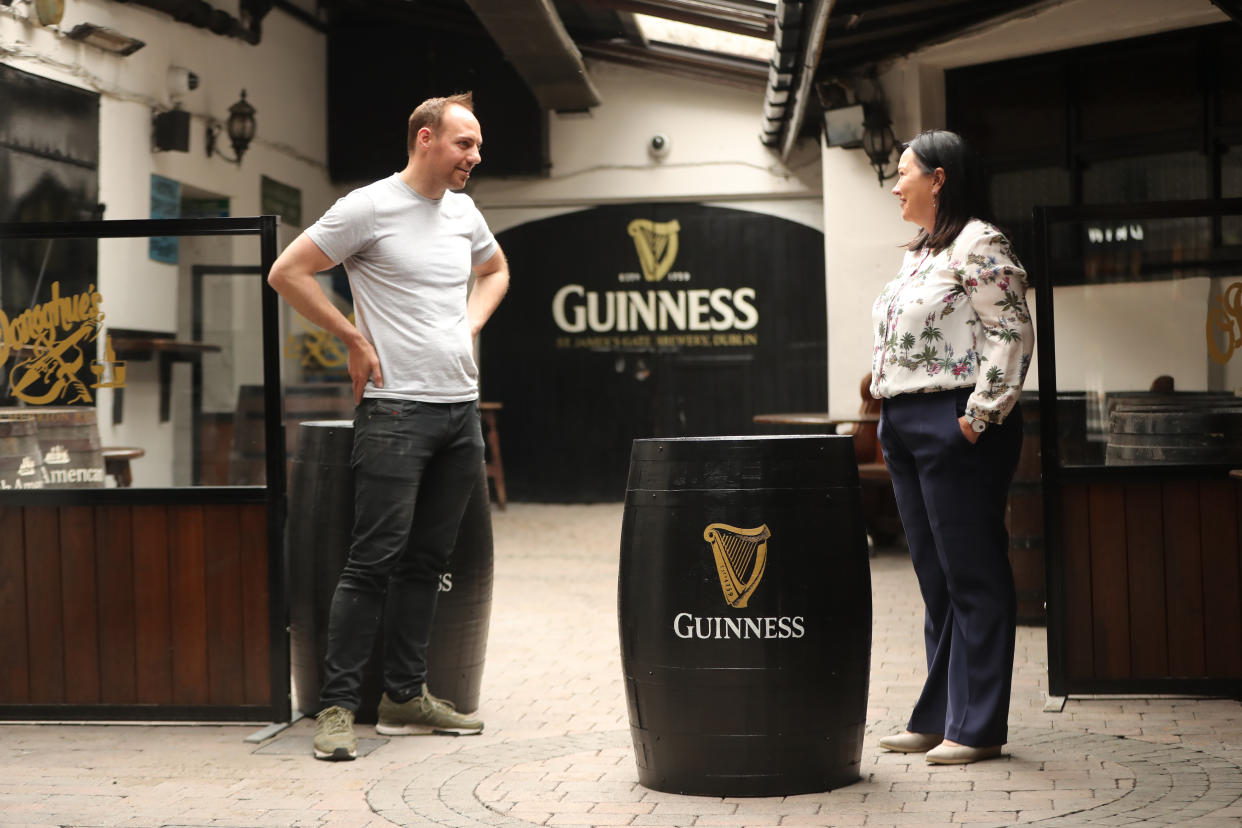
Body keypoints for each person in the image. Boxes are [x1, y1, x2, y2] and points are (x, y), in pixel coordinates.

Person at [267, 92, 509, 761]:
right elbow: (287, 271)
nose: (475, 157)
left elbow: (495, 269)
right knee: (371, 563)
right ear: (426, 139)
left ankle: (405, 695)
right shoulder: (368, 207)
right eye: (465, 144)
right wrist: (350, 335)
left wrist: (471, 320)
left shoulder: (462, 211)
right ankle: (338, 707)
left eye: (478, 144)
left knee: (427, 564)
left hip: (459, 410)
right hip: (396, 409)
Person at [870, 129, 1033, 765]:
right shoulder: (920, 253)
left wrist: (977, 417)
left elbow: (1011, 331)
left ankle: (979, 725)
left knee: (974, 574)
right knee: (937, 578)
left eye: (904, 171)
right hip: (906, 421)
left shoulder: (980, 242)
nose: (894, 183)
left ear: (939, 179)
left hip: (956, 419)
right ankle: (940, 715)